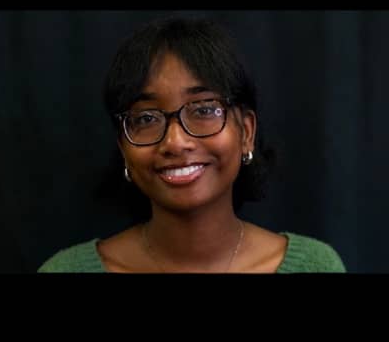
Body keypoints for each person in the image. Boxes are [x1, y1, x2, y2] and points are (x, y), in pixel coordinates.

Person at [38, 17, 346, 273]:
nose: (175, 142)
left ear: (246, 132)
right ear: (123, 149)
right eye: (146, 118)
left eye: (203, 110)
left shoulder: (316, 266)